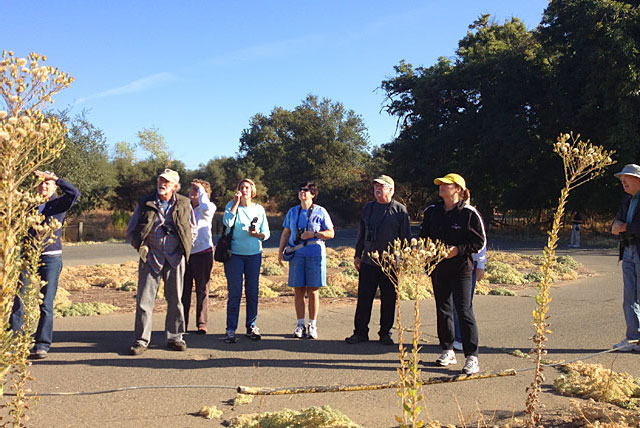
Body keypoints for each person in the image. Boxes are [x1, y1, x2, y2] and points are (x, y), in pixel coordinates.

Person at [419, 173, 485, 374]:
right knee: (443, 310)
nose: (441, 187)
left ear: (458, 189)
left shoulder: (469, 213)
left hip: (462, 270)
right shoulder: (432, 211)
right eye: (440, 184)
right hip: (438, 268)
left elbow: (478, 242)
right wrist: (427, 250)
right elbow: (423, 235)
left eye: (446, 185)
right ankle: (447, 350)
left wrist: (457, 250)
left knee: (464, 311)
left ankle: (472, 356)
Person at [10, 170, 80, 359]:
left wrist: (57, 178)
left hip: (51, 257)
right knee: (20, 299)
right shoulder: (29, 205)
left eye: (48, 183)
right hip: (29, 256)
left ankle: (42, 344)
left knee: (46, 303)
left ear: (54, 187)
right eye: (42, 183)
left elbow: (75, 193)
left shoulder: (59, 204)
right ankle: (15, 342)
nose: (44, 186)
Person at [126, 169, 196, 355]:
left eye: (167, 181)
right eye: (160, 181)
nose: (162, 184)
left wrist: (185, 248)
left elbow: (192, 229)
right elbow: (131, 228)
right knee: (144, 301)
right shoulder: (146, 203)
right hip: (151, 258)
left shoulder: (184, 203)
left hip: (175, 258)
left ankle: (175, 337)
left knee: (175, 300)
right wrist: (139, 246)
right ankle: (141, 340)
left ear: (175, 186)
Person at [346, 175, 411, 345]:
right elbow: (362, 233)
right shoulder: (368, 208)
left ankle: (385, 333)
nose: (377, 189)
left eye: (381, 186)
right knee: (364, 298)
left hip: (390, 263)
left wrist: (403, 260)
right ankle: (360, 332)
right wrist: (357, 255)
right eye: (375, 186)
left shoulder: (399, 210)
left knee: (389, 299)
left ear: (391, 189)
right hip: (368, 261)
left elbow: (406, 238)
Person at [278, 182, 335, 339]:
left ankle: (313, 324)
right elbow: (286, 232)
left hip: (315, 254)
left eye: (306, 190)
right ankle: (300, 324)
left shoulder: (320, 211)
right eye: (300, 190)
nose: (302, 192)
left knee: (313, 290)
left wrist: (314, 234)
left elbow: (331, 233)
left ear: (313, 194)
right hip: (297, 255)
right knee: (298, 290)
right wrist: (280, 251)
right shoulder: (292, 212)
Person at [222, 178, 270, 343]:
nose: (244, 190)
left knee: (252, 292)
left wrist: (257, 234)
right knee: (235, 292)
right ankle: (230, 329)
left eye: (247, 188)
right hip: (234, 255)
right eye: (241, 187)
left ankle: (251, 326)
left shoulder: (259, 209)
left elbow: (266, 233)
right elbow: (227, 222)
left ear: (252, 190)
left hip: (254, 254)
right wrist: (235, 204)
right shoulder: (231, 205)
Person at [611, 164, 640, 352]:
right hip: (628, 249)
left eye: (627, 177)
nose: (623, 181)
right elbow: (616, 222)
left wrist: (623, 227)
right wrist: (617, 225)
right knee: (629, 297)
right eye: (622, 178)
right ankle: (633, 339)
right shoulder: (627, 201)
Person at [181, 179, 216, 334]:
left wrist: (202, 190)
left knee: (202, 289)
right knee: (184, 290)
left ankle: (202, 323)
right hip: (186, 252)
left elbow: (206, 206)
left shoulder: (207, 207)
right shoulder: (186, 208)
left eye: (196, 189)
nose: (192, 191)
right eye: (192, 188)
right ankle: (181, 322)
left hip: (203, 253)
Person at [453, 245, 486, 351]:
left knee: (464, 305)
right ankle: (453, 337)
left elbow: (481, 242)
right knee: (451, 304)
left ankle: (461, 339)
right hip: (451, 262)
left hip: (469, 262)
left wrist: (481, 265)